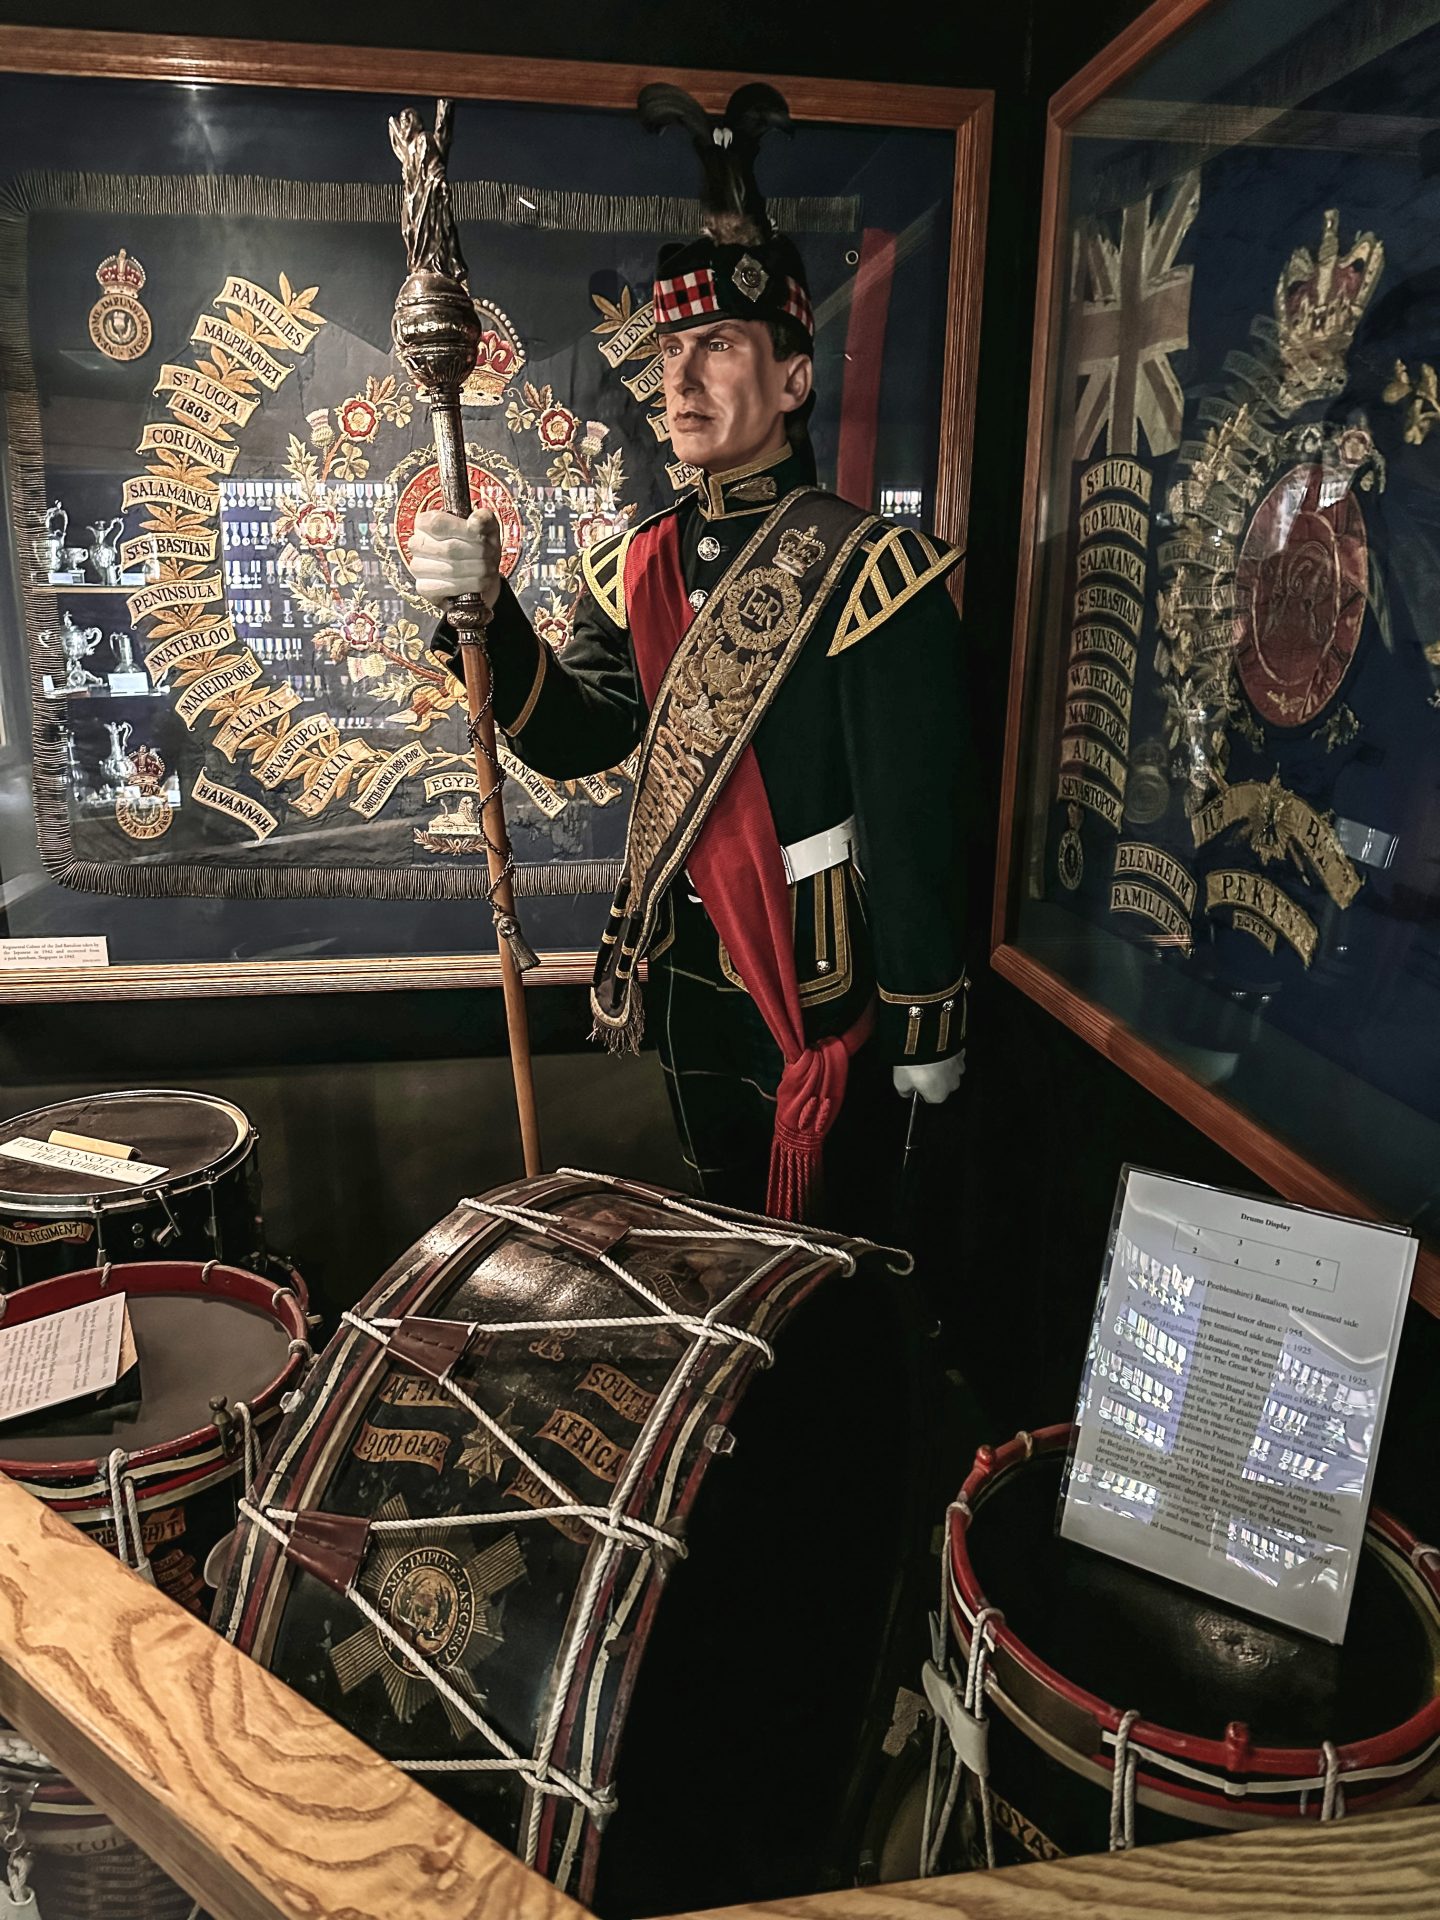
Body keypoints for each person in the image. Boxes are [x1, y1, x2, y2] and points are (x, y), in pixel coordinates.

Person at [407, 81, 974, 1228]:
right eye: (672, 349)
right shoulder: (644, 560)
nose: (682, 377)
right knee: (720, 1231)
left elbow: (916, 825)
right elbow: (576, 734)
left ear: (795, 379)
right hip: (684, 982)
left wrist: (926, 1016)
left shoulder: (873, 571)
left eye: (719, 346)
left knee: (834, 1263)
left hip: (820, 986)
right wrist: (490, 611)